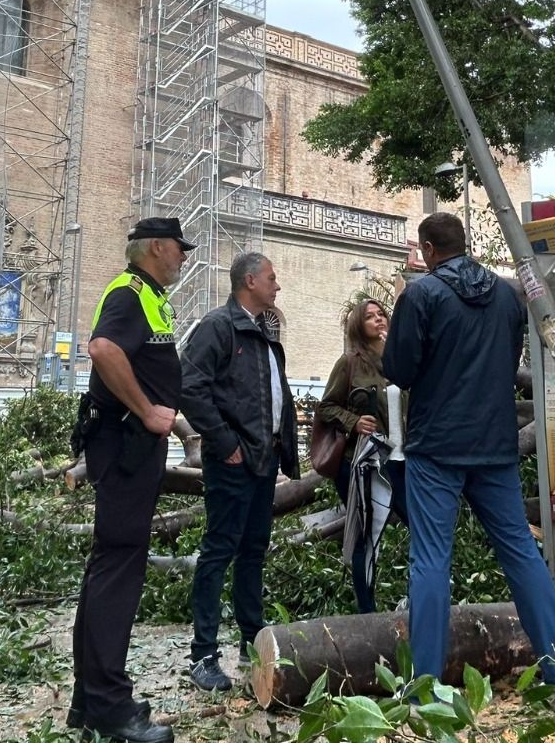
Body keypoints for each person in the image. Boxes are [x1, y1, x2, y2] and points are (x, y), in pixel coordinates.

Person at [383, 212, 555, 697]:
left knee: (430, 559)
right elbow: (509, 362)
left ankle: (425, 687)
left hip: (437, 447)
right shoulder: (506, 297)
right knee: (521, 553)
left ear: (428, 249)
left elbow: (400, 369)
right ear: (463, 244)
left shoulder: (421, 294)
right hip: (494, 444)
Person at [68, 218, 192, 743]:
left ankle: (89, 699)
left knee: (110, 568)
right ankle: (111, 709)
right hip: (123, 447)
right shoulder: (129, 291)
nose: (183, 258)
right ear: (157, 248)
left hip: (130, 449)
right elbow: (103, 350)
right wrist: (146, 411)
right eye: (178, 250)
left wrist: (175, 423)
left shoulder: (149, 297)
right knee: (118, 569)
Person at [178, 252, 299, 692]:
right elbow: (189, 384)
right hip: (233, 462)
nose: (277, 285)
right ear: (249, 281)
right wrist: (223, 441)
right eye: (271, 277)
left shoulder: (262, 331)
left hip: (262, 461)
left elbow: (270, 394)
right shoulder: (219, 327)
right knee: (218, 551)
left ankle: (253, 641)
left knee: (253, 550)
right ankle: (203, 656)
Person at [316, 297, 408, 613]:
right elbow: (326, 407)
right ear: (359, 325)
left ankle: (417, 598)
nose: (378, 319)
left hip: (402, 460)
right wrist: (354, 421)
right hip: (362, 463)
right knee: (366, 537)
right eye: (369, 317)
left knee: (420, 525)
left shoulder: (402, 360)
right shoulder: (350, 363)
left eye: (381, 314)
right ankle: (367, 611)